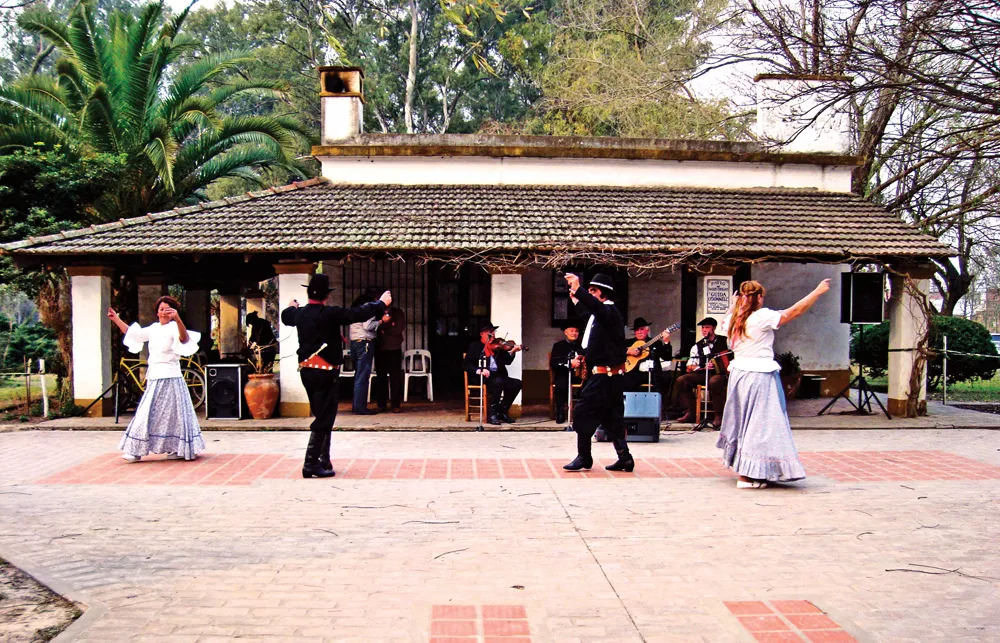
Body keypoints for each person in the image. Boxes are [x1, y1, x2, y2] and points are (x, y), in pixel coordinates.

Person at [716, 278, 830, 488]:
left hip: (739, 375)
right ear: (759, 298)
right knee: (761, 425)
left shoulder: (733, 319)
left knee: (747, 423)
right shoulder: (761, 317)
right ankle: (747, 476)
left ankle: (752, 470)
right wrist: (816, 292)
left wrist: (733, 305)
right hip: (758, 376)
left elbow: (723, 325)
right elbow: (793, 312)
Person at [281, 274, 390, 478]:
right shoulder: (330, 313)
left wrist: (292, 306)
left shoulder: (300, 314)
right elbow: (357, 313)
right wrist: (381, 303)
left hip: (307, 371)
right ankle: (311, 463)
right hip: (325, 373)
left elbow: (286, 316)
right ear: (326, 296)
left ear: (308, 293)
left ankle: (324, 459)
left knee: (323, 416)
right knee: (324, 418)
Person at [564, 273, 668, 472]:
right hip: (608, 377)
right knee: (612, 416)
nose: (590, 294)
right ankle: (625, 458)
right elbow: (588, 313)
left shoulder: (609, 312)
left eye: (592, 291)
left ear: (602, 293)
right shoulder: (601, 316)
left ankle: (584, 457)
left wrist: (578, 289)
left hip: (605, 377)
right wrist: (577, 300)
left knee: (583, 413)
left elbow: (595, 308)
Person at [108, 296, 205, 462]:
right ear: (157, 312)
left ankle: (176, 448)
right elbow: (134, 334)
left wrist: (177, 319)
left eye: (168, 309)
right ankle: (135, 450)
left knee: (175, 416)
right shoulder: (153, 328)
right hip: (155, 376)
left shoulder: (175, 327)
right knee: (146, 413)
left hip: (172, 377)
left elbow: (184, 339)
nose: (164, 312)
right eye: (161, 309)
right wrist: (116, 318)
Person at [463, 324, 522, 425]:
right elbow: (466, 364)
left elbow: (507, 361)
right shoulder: (476, 346)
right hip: (483, 377)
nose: (493, 334)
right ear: (482, 334)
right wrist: (479, 370)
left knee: (516, 383)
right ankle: (492, 414)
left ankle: (502, 411)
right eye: (489, 332)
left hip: (499, 376)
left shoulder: (498, 347)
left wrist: (512, 351)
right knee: (497, 382)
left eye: (493, 332)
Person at [675, 317, 729, 426]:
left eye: (707, 327)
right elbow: (689, 366)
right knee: (682, 380)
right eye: (703, 328)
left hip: (721, 374)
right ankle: (690, 412)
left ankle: (718, 415)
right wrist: (701, 367)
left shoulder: (725, 341)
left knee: (714, 382)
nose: (704, 330)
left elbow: (734, 356)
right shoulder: (697, 346)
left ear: (714, 328)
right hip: (703, 374)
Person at [348, 288, 382, 414]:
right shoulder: (368, 309)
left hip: (355, 342)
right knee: (363, 375)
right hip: (365, 342)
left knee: (358, 374)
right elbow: (367, 326)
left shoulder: (355, 309)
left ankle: (356, 405)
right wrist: (380, 321)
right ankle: (360, 407)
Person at [623, 317, 673, 393]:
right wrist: (628, 351)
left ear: (647, 330)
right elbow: (616, 350)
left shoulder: (656, 342)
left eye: (642, 329)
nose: (639, 332)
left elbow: (667, 357)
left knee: (666, 378)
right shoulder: (629, 343)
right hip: (635, 373)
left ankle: (658, 402)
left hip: (654, 374)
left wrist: (666, 342)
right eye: (637, 330)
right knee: (625, 380)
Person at [550, 319, 584, 424]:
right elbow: (554, 363)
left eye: (576, 331)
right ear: (565, 332)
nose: (574, 333)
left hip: (580, 374)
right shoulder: (558, 346)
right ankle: (560, 412)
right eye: (571, 330)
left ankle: (582, 412)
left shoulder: (582, 345)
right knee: (561, 383)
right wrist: (570, 363)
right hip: (564, 373)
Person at [374, 305, 406, 413]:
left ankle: (395, 404)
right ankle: (381, 404)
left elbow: (399, 328)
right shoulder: (377, 312)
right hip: (380, 348)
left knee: (395, 377)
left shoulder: (398, 312)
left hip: (394, 348)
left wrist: (384, 328)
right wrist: (387, 326)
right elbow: (375, 328)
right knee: (380, 377)